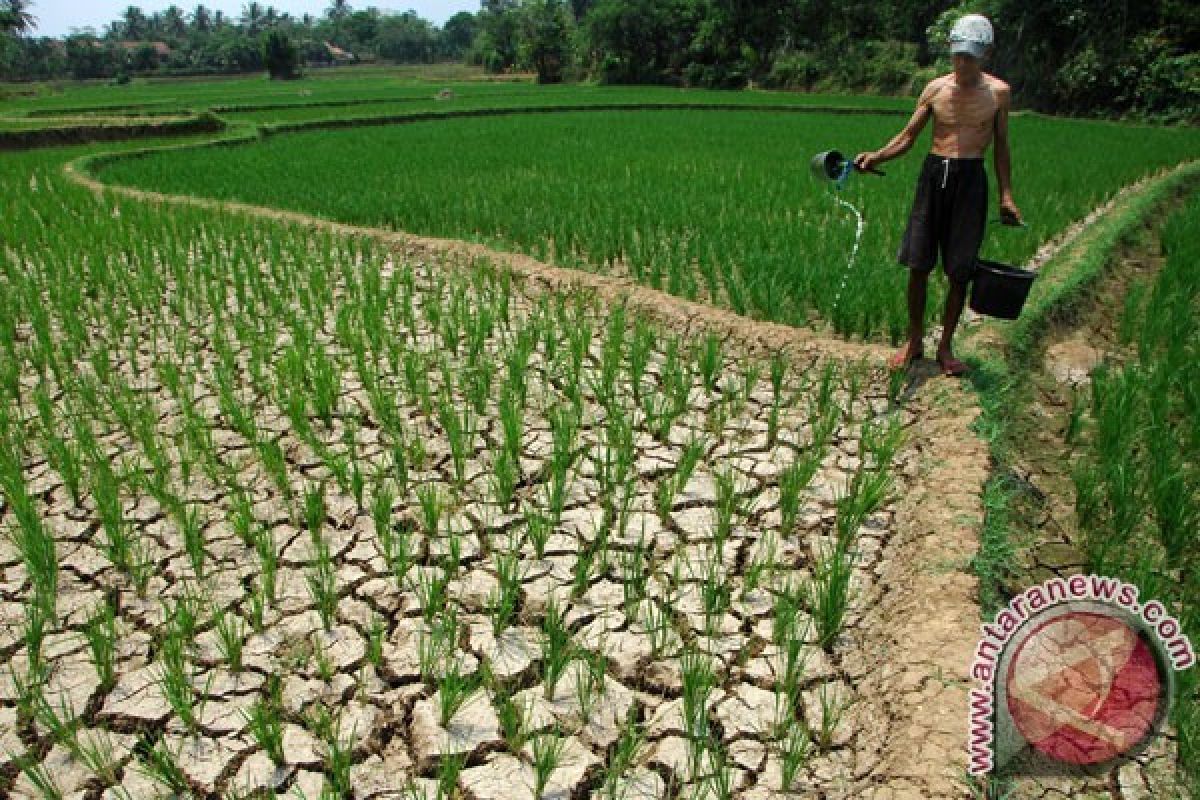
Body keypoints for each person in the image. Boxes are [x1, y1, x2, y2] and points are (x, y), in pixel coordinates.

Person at [854, 13, 1022, 376]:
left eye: (971, 57)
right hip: (934, 176)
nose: (963, 64)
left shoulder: (998, 94)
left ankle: (945, 346)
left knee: (960, 269)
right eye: (958, 55)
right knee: (918, 264)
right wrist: (876, 156)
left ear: (986, 54)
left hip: (971, 178)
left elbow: (1002, 146)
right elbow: (908, 137)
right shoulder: (935, 90)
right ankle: (915, 341)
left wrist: (1006, 195)